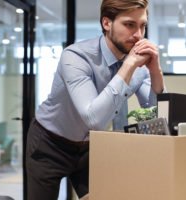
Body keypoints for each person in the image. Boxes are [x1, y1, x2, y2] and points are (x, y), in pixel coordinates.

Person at [26, 0, 165, 199]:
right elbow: (94, 119)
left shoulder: (139, 66)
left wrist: (155, 71)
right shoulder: (75, 57)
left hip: (90, 148)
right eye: (129, 25)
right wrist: (128, 67)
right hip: (50, 143)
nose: (138, 35)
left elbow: (157, 114)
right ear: (106, 23)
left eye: (142, 26)